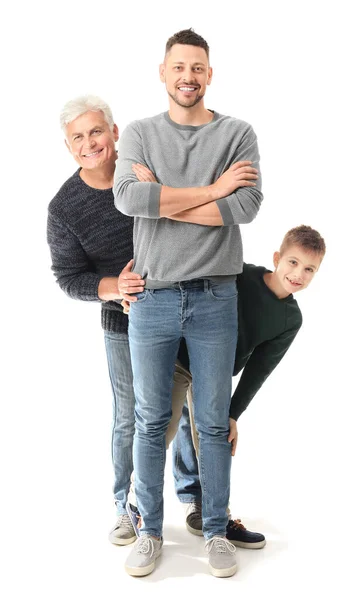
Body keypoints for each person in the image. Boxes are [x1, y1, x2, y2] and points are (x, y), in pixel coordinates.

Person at [114, 28, 263, 578]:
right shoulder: (139, 134)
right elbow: (129, 198)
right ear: (163, 72)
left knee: (210, 419)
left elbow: (245, 207)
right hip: (151, 297)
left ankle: (217, 531)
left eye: (197, 68)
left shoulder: (237, 132)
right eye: (179, 67)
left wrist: (168, 200)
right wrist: (211, 189)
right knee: (152, 420)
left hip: (214, 296)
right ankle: (150, 532)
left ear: (210, 74)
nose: (188, 77)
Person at [172, 225, 326, 542]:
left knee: (202, 428)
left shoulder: (290, 319)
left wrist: (234, 413)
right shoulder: (243, 275)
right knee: (198, 430)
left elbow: (259, 368)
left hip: (217, 372)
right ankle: (212, 511)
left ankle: (197, 504)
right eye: (293, 262)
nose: (299, 274)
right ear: (277, 258)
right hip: (186, 353)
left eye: (310, 269)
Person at [47, 95, 145, 546]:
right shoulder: (64, 207)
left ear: (115, 131)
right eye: (78, 138)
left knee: (187, 413)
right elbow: (68, 278)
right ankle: (125, 505)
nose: (90, 143)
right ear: (69, 148)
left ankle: (195, 498)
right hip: (122, 323)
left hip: (182, 308)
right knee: (129, 416)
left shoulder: (143, 167)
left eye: (96, 131)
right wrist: (113, 287)